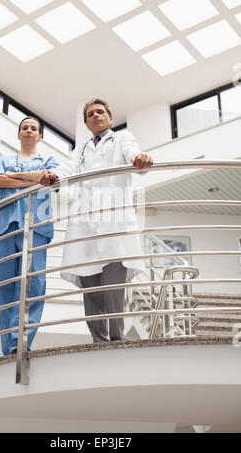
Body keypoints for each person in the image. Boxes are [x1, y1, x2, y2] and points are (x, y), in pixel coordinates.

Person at [39, 99, 153, 343]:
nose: (96, 116)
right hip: (85, 221)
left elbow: (134, 155)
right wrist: (54, 174)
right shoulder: (81, 149)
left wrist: (140, 160)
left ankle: (117, 337)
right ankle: (98, 341)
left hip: (113, 218)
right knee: (89, 282)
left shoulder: (122, 138)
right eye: (90, 114)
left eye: (100, 112)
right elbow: (67, 168)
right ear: (86, 122)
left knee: (114, 279)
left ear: (110, 118)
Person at [0, 116, 58, 355]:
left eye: (34, 129)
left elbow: (51, 179)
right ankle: (8, 348)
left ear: (39, 136)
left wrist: (15, 179)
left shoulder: (49, 160)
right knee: (6, 287)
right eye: (25, 128)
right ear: (18, 134)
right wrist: (34, 178)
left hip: (37, 227)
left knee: (34, 285)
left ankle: (22, 343)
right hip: (6, 227)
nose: (29, 131)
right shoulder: (4, 159)